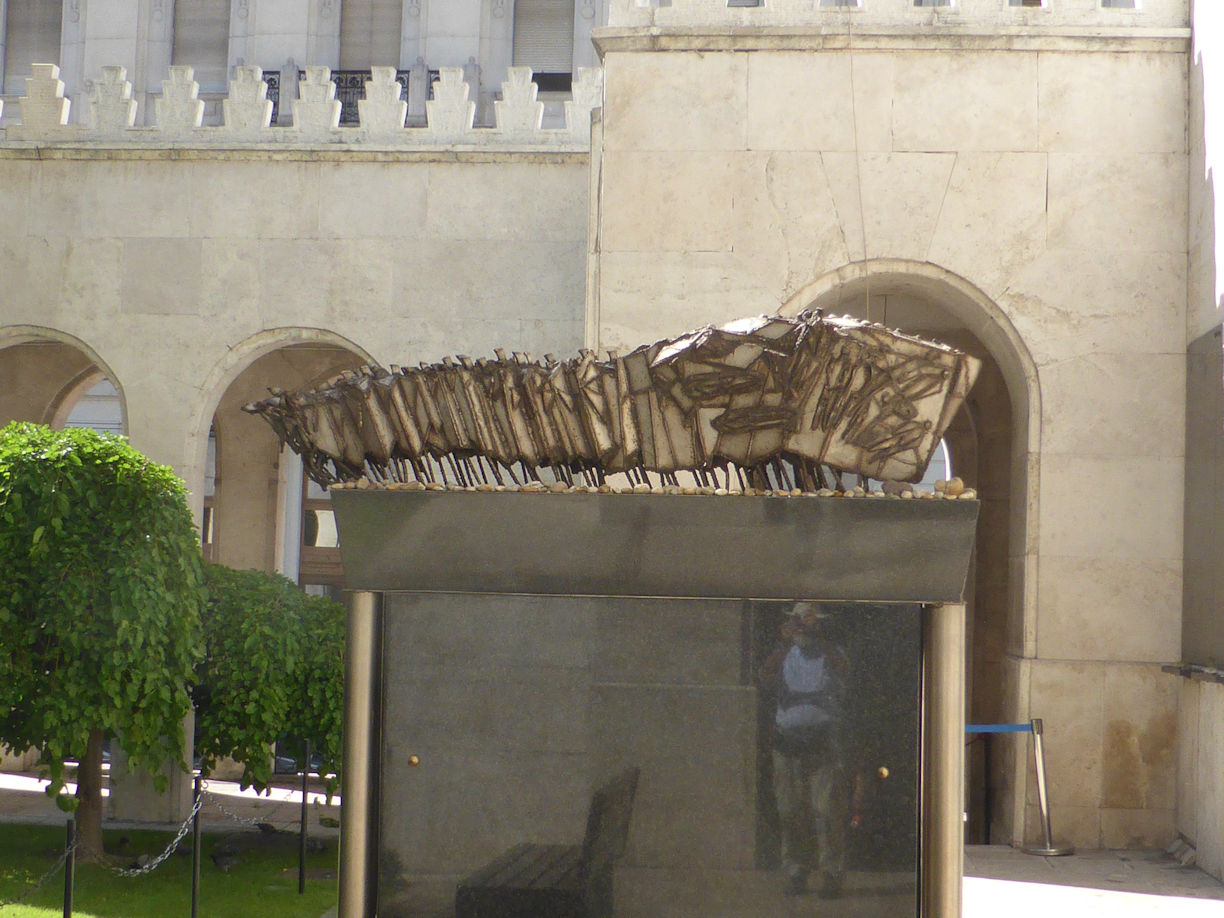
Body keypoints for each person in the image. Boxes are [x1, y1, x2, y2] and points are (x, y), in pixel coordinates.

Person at [760, 603, 851, 897]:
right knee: (789, 811)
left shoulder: (831, 654)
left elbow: (844, 670)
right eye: (798, 621)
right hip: (787, 743)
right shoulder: (784, 654)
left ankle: (831, 873)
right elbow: (763, 678)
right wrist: (783, 644)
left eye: (809, 621)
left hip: (822, 743)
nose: (803, 627)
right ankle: (796, 871)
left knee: (825, 810)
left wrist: (819, 636)